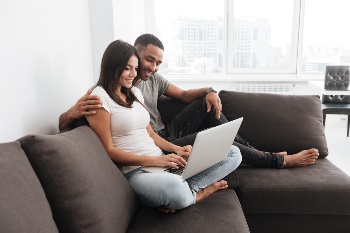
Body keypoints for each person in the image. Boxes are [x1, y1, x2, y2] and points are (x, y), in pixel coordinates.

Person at [59, 33, 319, 169]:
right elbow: (68, 123)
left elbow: (183, 96)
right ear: (134, 54)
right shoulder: (107, 90)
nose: (152, 67)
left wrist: (209, 90)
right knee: (210, 136)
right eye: (148, 60)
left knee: (205, 106)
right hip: (156, 144)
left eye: (158, 62)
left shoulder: (153, 81)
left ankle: (263, 153)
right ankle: (277, 161)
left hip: (164, 133)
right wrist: (70, 113)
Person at [86, 39, 242, 212]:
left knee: (233, 153)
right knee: (174, 187)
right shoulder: (99, 98)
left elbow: (151, 134)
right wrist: (157, 160)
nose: (133, 74)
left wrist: (176, 150)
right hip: (136, 172)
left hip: (162, 163)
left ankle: (180, 193)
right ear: (112, 66)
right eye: (127, 68)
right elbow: (109, 151)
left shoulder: (135, 93)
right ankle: (197, 194)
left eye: (135, 68)